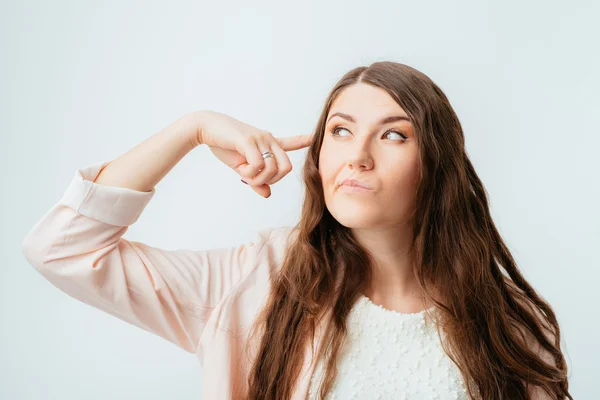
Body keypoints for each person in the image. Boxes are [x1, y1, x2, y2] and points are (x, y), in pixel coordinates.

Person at [21, 61, 571, 400]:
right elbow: (60, 250)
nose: (357, 156)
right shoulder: (251, 285)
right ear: (318, 155)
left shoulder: (507, 326)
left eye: (394, 136)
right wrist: (191, 130)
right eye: (340, 130)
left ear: (436, 165)